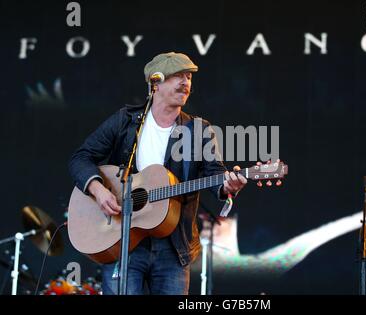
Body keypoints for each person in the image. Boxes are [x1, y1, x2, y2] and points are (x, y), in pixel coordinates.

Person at [68, 52, 247, 295]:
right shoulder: (126, 121)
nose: (186, 82)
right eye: (177, 76)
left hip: (173, 249)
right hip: (123, 241)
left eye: (188, 77)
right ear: (155, 83)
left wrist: (228, 186)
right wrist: (99, 190)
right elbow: (80, 158)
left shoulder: (198, 130)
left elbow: (215, 174)